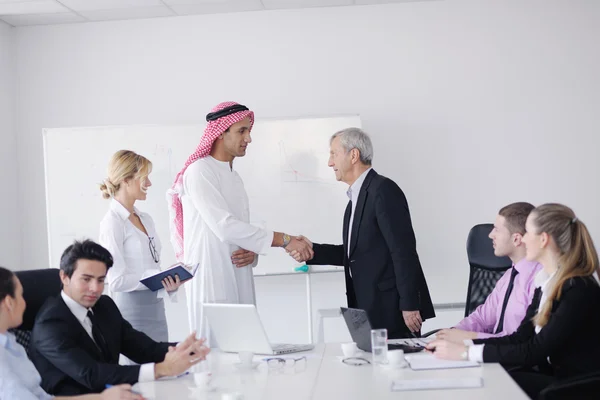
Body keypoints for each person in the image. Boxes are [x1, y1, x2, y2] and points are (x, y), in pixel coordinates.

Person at [166, 101, 312, 342]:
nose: (248, 139)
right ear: (221, 133)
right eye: (241, 131)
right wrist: (285, 240)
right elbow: (224, 227)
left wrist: (252, 252)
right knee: (214, 356)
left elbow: (238, 231)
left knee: (246, 351)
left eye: (249, 131)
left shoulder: (234, 176)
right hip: (211, 278)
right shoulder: (200, 171)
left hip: (239, 275)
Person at [427, 203, 600, 399]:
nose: (523, 239)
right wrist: (466, 344)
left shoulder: (578, 289)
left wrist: (465, 352)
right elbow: (519, 338)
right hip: (556, 377)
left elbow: (534, 350)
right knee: (494, 378)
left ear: (543, 239)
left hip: (578, 384)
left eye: (528, 233)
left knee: (498, 383)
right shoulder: (545, 283)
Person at [290, 127, 435, 338]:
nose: (330, 163)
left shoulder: (383, 190)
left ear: (354, 155)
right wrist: (313, 251)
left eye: (333, 154)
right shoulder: (355, 200)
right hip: (367, 308)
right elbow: (357, 254)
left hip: (393, 310)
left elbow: (403, 251)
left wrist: (410, 305)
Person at [29, 240, 210, 396]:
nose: (95, 288)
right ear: (64, 277)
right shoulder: (49, 324)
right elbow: (92, 374)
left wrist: (186, 349)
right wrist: (161, 369)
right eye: (86, 279)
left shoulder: (104, 306)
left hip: (114, 394)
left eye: (100, 280)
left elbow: (144, 349)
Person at [0, 266, 144, 400]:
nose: (25, 302)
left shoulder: (11, 343)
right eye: (20, 295)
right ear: (9, 303)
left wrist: (103, 397)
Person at [99, 150, 183, 350]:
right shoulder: (112, 223)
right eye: (144, 177)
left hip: (156, 310)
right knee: (138, 374)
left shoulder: (145, 219)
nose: (149, 184)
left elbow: (152, 264)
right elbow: (116, 280)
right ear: (127, 180)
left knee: (163, 370)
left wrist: (167, 282)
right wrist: (154, 278)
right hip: (131, 316)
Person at [436, 202, 543, 343]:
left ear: (516, 239)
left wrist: (469, 337)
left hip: (517, 360)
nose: (491, 235)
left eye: (497, 229)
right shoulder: (508, 276)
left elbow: (523, 341)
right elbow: (482, 318)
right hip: (493, 355)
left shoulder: (539, 280)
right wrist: (452, 333)